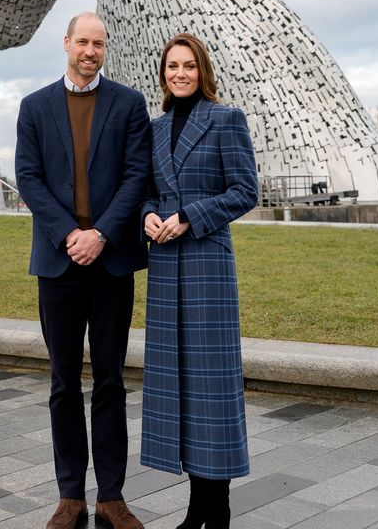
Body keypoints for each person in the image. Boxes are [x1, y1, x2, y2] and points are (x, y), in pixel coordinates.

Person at [16, 12, 152, 529]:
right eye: (82, 42)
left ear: (104, 48)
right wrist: (69, 234)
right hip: (58, 263)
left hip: (111, 261)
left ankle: (111, 496)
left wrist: (102, 234)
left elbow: (137, 175)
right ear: (66, 43)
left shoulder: (129, 104)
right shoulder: (34, 107)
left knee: (112, 380)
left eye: (98, 43)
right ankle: (70, 494)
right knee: (63, 382)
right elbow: (27, 176)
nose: (90, 51)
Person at [141, 33, 259, 529]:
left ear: (202, 70)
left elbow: (246, 190)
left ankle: (219, 508)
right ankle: (196, 509)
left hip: (208, 265)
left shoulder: (226, 118)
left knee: (212, 389)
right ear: (163, 74)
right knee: (181, 389)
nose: (180, 74)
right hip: (167, 269)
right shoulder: (155, 127)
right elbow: (146, 190)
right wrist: (148, 214)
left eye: (189, 66)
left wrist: (191, 215)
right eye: (172, 66)